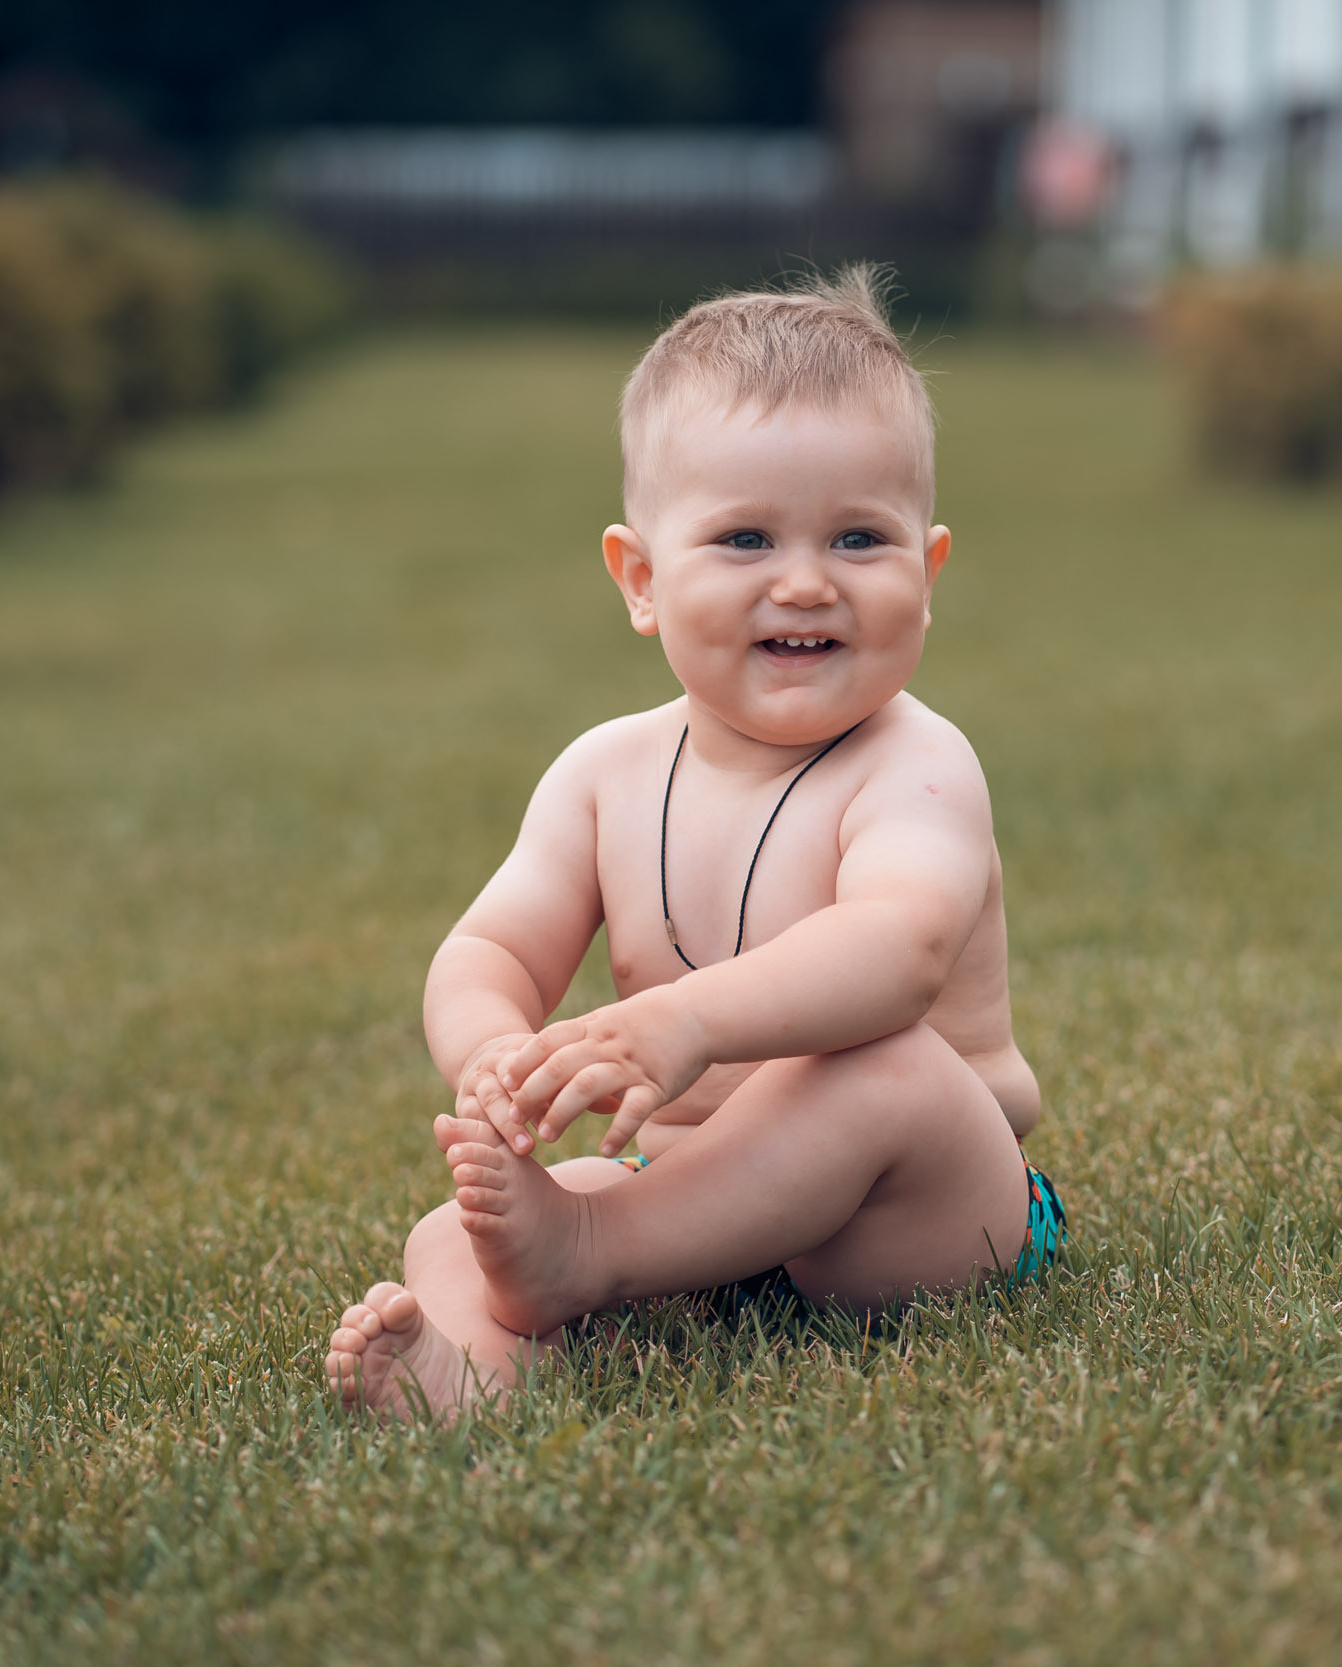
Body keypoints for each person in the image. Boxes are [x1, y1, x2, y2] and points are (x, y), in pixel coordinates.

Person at [325, 267, 1066, 1417]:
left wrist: (685, 1019)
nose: (806, 581)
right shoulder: (603, 772)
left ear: (927, 572)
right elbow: (492, 947)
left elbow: (899, 946)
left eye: (860, 537)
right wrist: (491, 1054)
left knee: (887, 1062)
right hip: (677, 1191)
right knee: (453, 1228)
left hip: (906, 1212)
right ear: (642, 579)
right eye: (745, 538)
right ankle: (473, 1375)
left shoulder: (916, 762)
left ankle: (589, 1251)